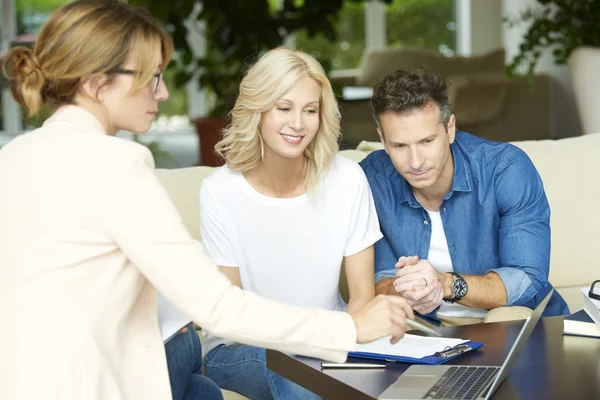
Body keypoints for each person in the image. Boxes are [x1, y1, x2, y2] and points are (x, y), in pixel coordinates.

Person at [0, 2, 415, 400]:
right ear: (96, 83)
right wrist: (347, 330)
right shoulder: (118, 165)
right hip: (84, 376)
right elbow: (215, 305)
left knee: (198, 387)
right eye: (151, 77)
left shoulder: (12, 156)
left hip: (27, 375)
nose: (161, 93)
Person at [198, 47, 382, 400]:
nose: (298, 124)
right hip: (240, 350)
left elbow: (362, 296)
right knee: (292, 364)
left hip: (328, 343)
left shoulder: (347, 179)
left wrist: (334, 340)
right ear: (259, 110)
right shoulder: (219, 191)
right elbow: (233, 315)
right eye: (284, 108)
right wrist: (313, 339)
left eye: (310, 110)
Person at [359, 68, 569, 328]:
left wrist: (445, 284)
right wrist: (407, 290)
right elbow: (379, 280)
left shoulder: (505, 169)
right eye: (399, 146)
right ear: (382, 139)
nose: (415, 162)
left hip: (514, 327)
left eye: (426, 141)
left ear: (449, 129)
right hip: (424, 332)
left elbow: (526, 277)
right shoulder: (372, 178)